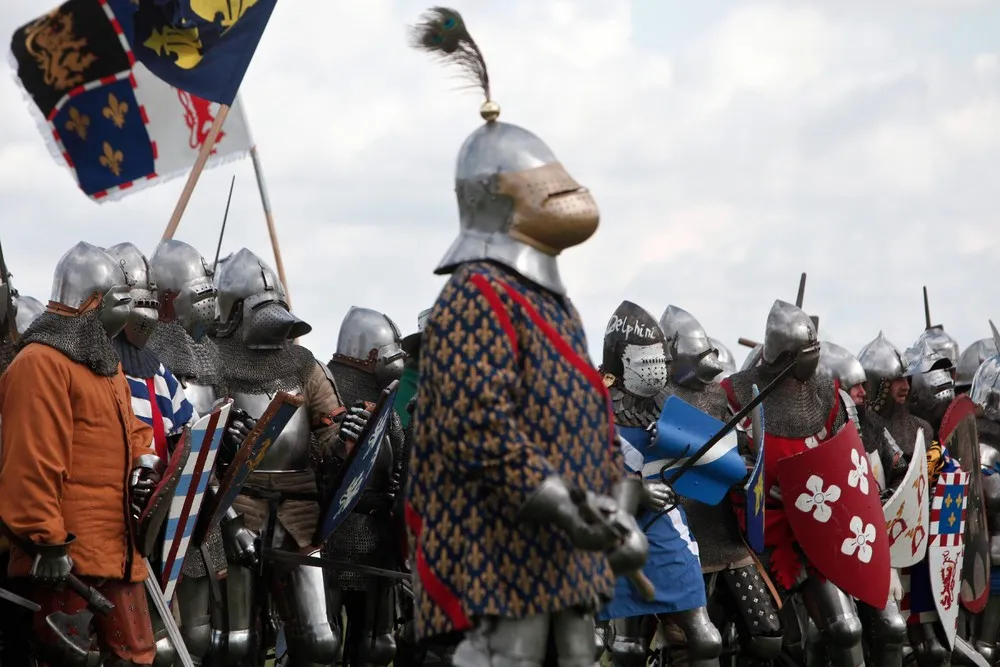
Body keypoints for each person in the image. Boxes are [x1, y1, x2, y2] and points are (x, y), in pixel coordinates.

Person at [407, 7, 647, 665]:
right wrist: (569, 508)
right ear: (499, 195)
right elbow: (480, 425)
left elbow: (586, 415)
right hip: (498, 547)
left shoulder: (548, 300)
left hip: (562, 549)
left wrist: (613, 501)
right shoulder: (474, 297)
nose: (567, 190)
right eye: (547, 181)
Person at [0, 241, 161, 667]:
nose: (128, 311)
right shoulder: (40, 364)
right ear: (95, 302)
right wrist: (46, 539)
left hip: (119, 552)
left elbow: (136, 430)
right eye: (120, 300)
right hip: (66, 561)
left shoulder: (105, 364)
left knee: (137, 657)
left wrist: (145, 465)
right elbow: (30, 461)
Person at [214, 248, 367, 666]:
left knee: (319, 642)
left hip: (300, 510)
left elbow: (329, 439)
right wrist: (223, 440)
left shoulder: (305, 366)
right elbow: (191, 449)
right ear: (232, 313)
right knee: (237, 644)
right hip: (237, 505)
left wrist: (349, 438)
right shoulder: (207, 366)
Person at [721, 300, 865, 666]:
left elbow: (847, 460)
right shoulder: (734, 393)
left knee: (846, 628)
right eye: (806, 352)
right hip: (760, 536)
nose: (813, 358)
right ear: (785, 355)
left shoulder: (827, 395)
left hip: (817, 530)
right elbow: (722, 456)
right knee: (775, 644)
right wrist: (749, 470)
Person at [599, 301, 721, 667]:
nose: (655, 366)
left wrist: (674, 439)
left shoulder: (667, 401)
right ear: (622, 357)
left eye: (659, 357)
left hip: (666, 524)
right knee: (623, 647)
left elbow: (707, 454)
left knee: (706, 638)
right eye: (646, 357)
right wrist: (634, 490)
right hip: (612, 532)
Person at [660, 305, 782, 665]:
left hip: (724, 533)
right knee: (691, 645)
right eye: (698, 354)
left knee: (766, 636)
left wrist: (747, 465)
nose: (706, 361)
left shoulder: (716, 395)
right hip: (679, 536)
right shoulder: (655, 398)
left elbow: (741, 448)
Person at [325, 307, 408, 666]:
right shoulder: (330, 391)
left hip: (378, 530)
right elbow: (318, 455)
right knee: (323, 642)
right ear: (371, 355)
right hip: (333, 529)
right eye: (392, 352)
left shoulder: (384, 400)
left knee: (375, 644)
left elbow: (400, 458)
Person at [819, 341, 907, 667]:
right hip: (827, 549)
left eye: (862, 384)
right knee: (832, 634)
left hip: (872, 541)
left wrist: (888, 496)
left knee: (892, 627)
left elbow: (901, 469)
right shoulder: (811, 432)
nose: (861, 391)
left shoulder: (873, 429)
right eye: (853, 385)